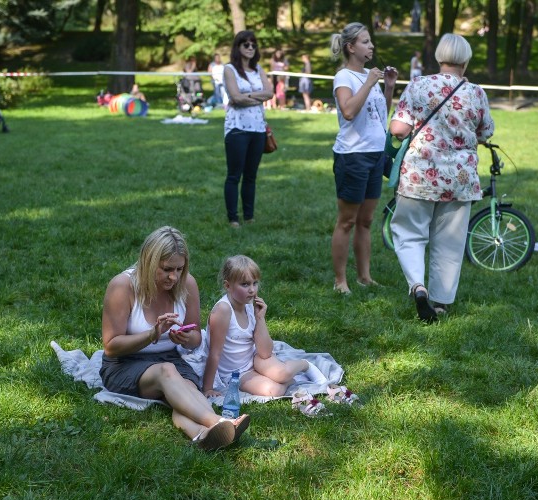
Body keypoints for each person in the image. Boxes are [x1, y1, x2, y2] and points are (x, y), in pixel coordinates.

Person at [100, 226, 250, 451]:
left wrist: (186, 338)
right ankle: (219, 422)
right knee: (167, 372)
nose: (174, 276)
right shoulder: (123, 286)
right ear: (148, 263)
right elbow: (111, 347)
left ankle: (202, 435)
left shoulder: (187, 284)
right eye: (167, 269)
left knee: (185, 393)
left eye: (179, 269)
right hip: (125, 364)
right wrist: (153, 334)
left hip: (171, 358)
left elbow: (197, 339)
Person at [388, 33, 495, 322]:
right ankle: (440, 302)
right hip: (460, 179)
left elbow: (398, 129)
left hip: (420, 174)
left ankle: (418, 286)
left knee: (409, 234)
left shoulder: (419, 86)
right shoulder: (476, 93)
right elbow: (486, 132)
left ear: (439, 57)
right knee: (449, 242)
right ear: (466, 60)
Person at [330, 22, 398, 294]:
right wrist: (370, 82)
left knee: (366, 221)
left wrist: (388, 88)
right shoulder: (344, 77)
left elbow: (379, 116)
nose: (371, 46)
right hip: (353, 156)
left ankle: (364, 276)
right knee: (346, 220)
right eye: (366, 42)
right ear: (351, 47)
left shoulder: (369, 78)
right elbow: (348, 111)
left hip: (375, 154)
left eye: (370, 42)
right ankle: (340, 281)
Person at [201, 255, 326, 398]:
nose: (252, 290)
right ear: (227, 285)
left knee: (281, 373)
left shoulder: (249, 307)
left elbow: (265, 352)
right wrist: (207, 388)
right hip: (236, 373)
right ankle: (290, 380)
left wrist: (260, 318)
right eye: (245, 284)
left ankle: (306, 365)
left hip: (255, 359)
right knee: (274, 390)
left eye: (255, 283)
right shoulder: (223, 310)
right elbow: (214, 353)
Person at [222, 30, 274, 228]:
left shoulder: (258, 69)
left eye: (253, 44)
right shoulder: (229, 70)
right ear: (238, 47)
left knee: (251, 175)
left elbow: (269, 93)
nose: (250, 47)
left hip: (258, 129)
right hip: (237, 128)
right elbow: (235, 98)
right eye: (246, 44)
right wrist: (256, 96)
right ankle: (233, 218)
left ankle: (249, 217)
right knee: (235, 174)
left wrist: (248, 96)